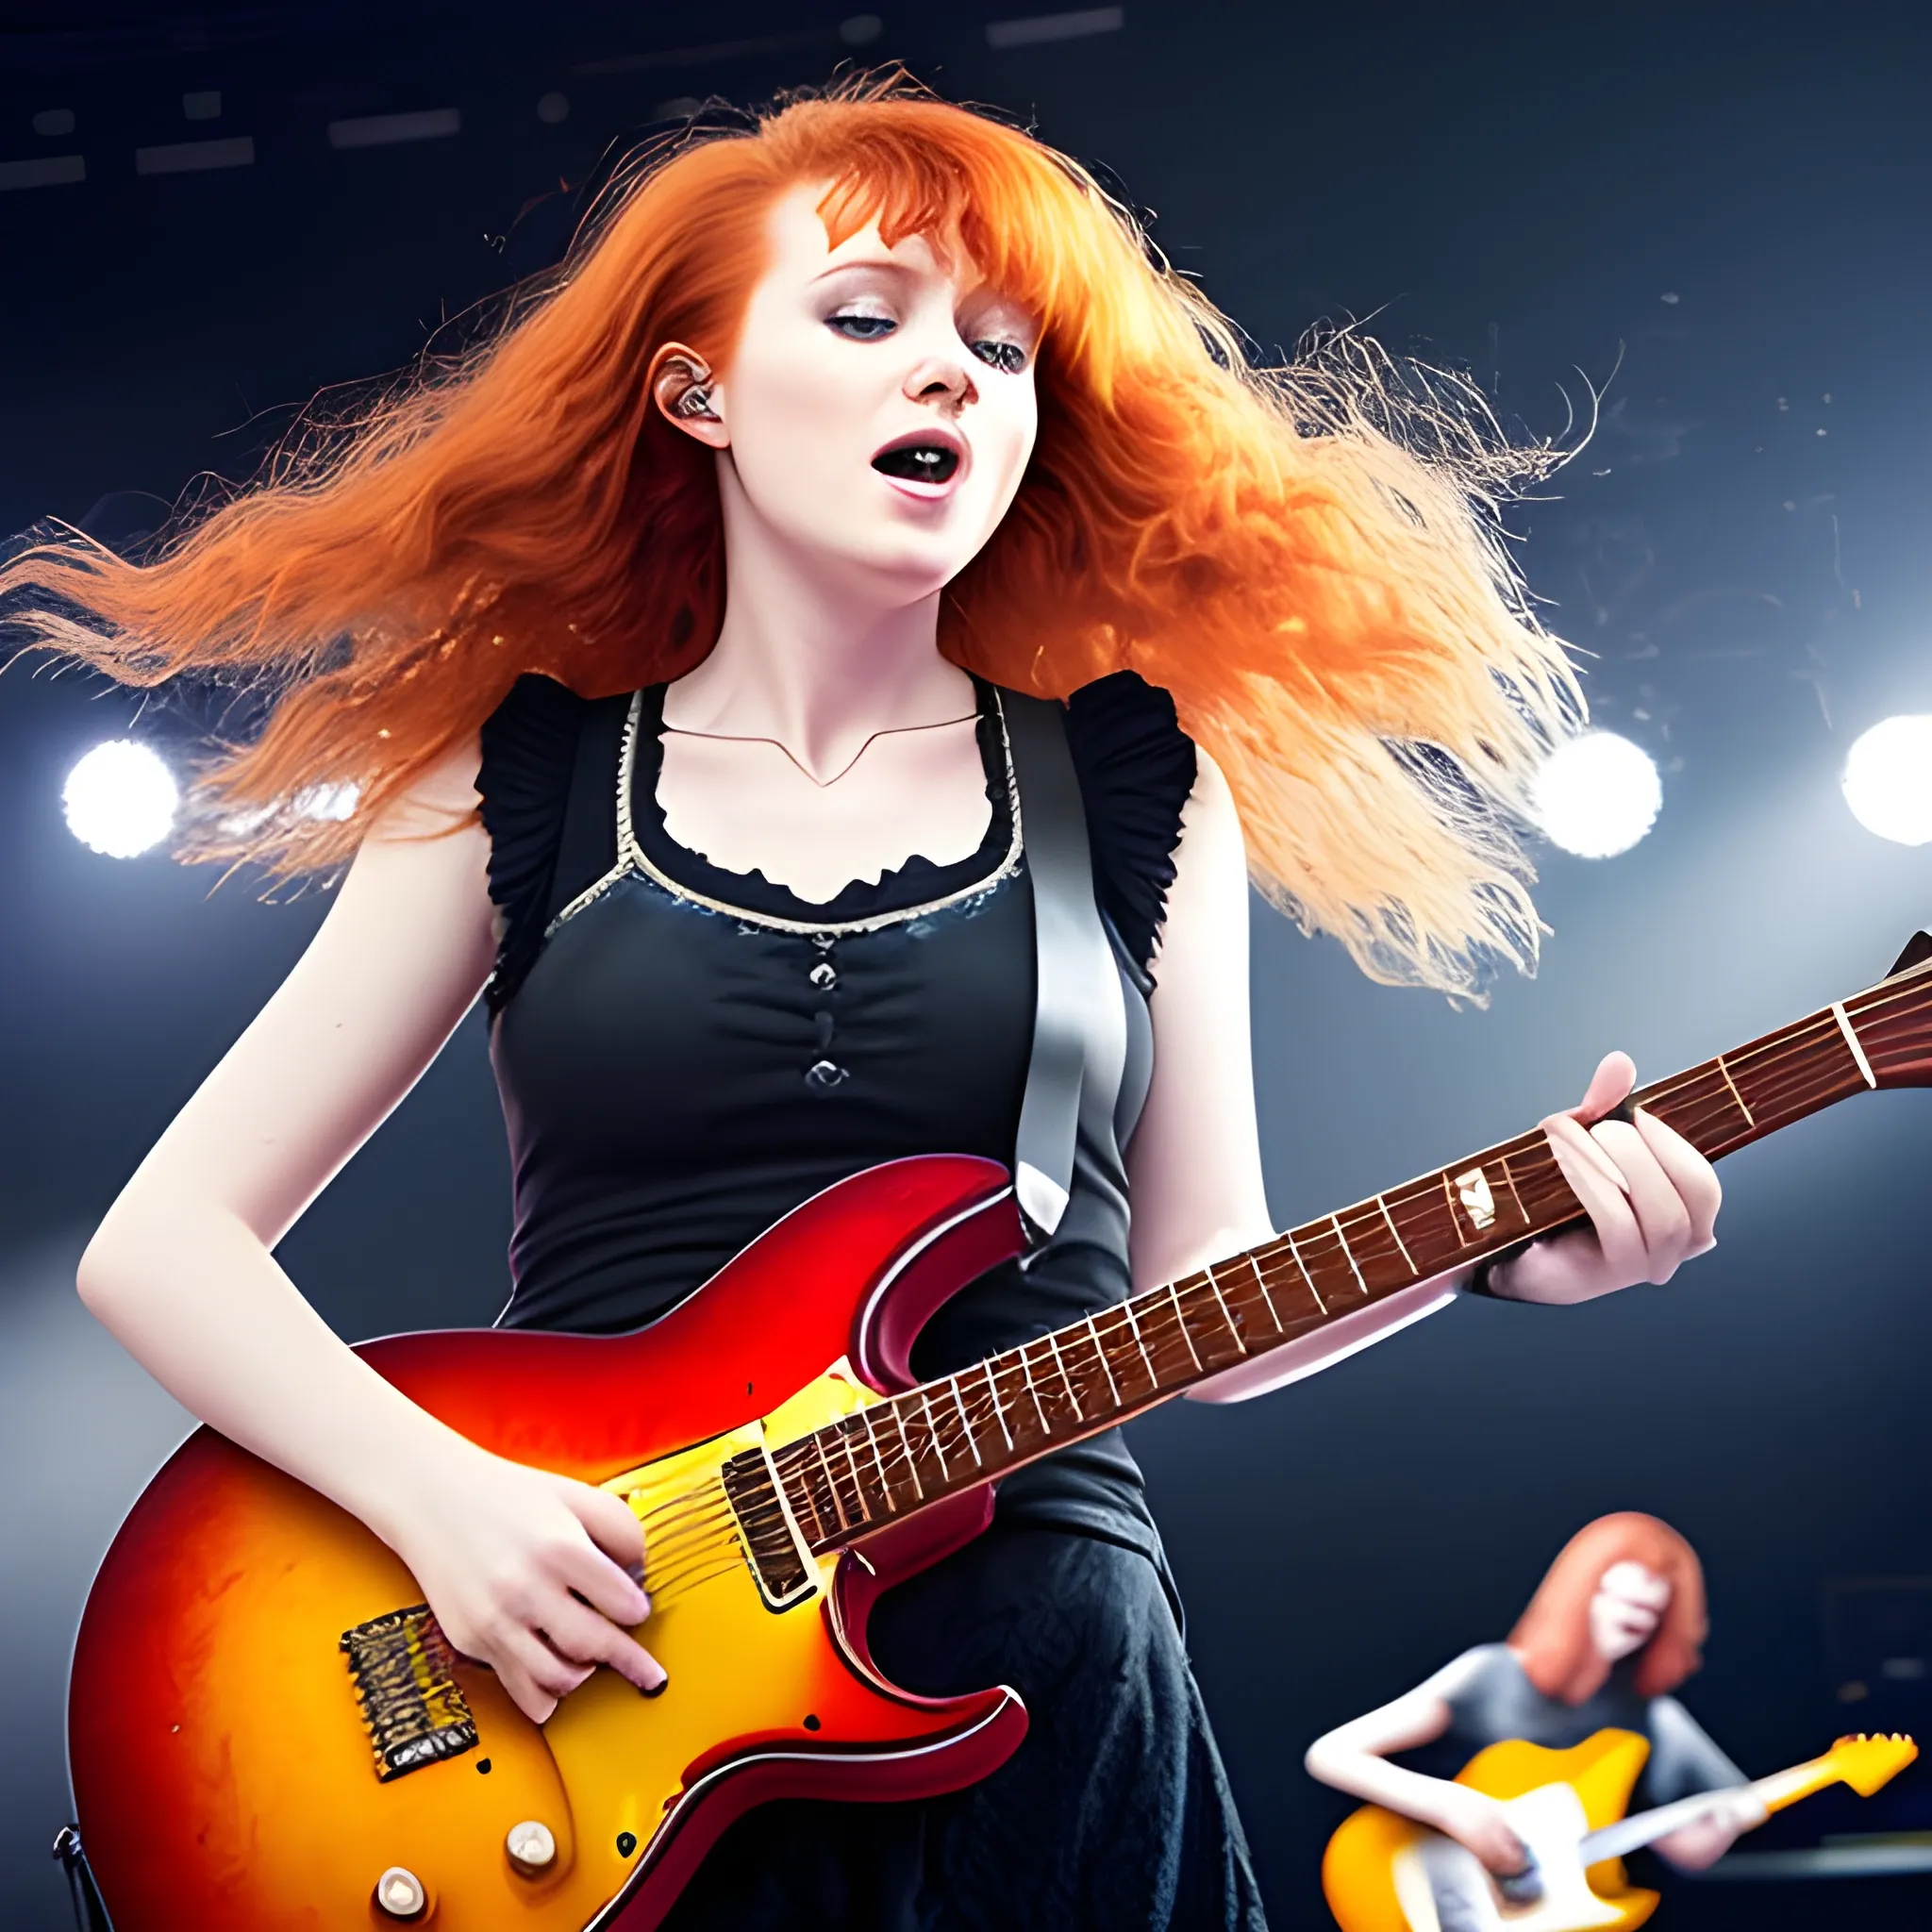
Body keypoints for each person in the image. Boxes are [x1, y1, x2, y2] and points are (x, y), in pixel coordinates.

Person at [5, 75, 1723, 1932]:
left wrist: (1496, 1247)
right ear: (697, 391)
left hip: (1049, 1678)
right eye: (869, 316)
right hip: (600, 1674)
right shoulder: (507, 786)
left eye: (1001, 347)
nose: (954, 378)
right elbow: (164, 1246)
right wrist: (446, 1505)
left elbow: (1207, 1299)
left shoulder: (1141, 790)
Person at [1305, 1511, 1763, 1897]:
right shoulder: (1491, 1674)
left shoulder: (1654, 1717)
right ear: (1580, 1593)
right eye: (1615, 1600)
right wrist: (1453, 1807)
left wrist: (1703, 1839)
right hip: (1424, 1885)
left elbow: (1716, 1822)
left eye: (1644, 1616)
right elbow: (1332, 1753)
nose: (1626, 1620)